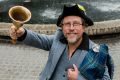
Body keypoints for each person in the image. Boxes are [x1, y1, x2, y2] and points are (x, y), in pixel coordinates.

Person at [9, 3, 114, 80]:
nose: (71, 28)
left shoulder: (96, 52)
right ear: (62, 27)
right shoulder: (57, 39)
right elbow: (39, 39)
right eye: (67, 24)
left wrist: (79, 78)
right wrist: (22, 33)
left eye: (76, 24)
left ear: (84, 27)